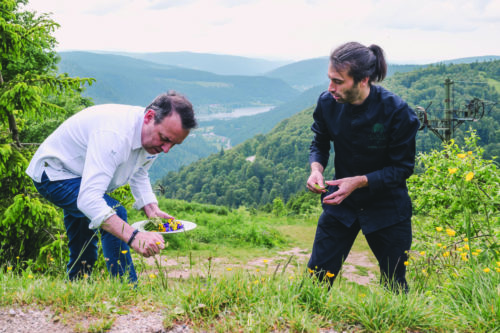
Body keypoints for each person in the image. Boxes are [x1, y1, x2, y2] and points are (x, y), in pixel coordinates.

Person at [26, 91, 197, 282]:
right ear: (149, 117)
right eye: (165, 139)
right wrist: (134, 237)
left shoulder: (153, 135)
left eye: (173, 144)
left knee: (85, 252)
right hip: (53, 174)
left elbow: (139, 171)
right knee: (115, 212)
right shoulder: (113, 134)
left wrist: (151, 207)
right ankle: (127, 289)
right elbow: (88, 199)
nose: (166, 149)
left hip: (81, 177)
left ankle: (74, 287)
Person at [306, 42, 419, 292]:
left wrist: (359, 181)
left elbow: (402, 169)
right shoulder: (327, 103)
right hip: (340, 201)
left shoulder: (397, 112)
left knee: (394, 284)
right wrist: (317, 169)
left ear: (363, 80)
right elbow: (320, 141)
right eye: (329, 79)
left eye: (338, 81)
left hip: (387, 207)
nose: (330, 88)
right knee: (316, 279)